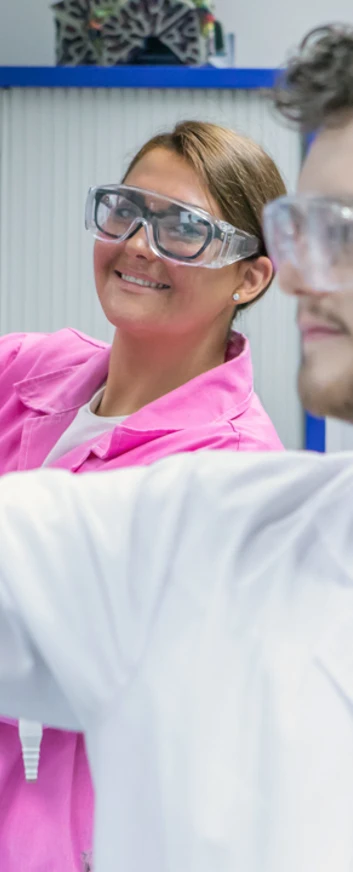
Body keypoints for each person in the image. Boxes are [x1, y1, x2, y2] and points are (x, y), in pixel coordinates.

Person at [1, 23, 353, 872]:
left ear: (247, 277)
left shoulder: (225, 470)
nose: (308, 270)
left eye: (340, 229)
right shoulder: (213, 527)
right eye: (125, 212)